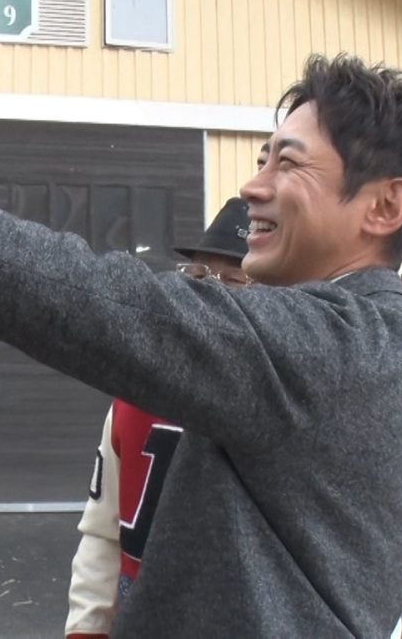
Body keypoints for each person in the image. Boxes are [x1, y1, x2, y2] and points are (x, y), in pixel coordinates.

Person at [0, 53, 402, 636]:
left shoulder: (340, 345)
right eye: (263, 158)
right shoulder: (371, 339)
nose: (253, 186)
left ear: (386, 206)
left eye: (289, 163)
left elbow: (91, 300)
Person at [64, 198, 252, 639]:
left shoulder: (279, 409)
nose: (212, 291)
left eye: (235, 280)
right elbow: (101, 533)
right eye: (200, 275)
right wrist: (85, 629)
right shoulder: (134, 394)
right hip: (140, 608)